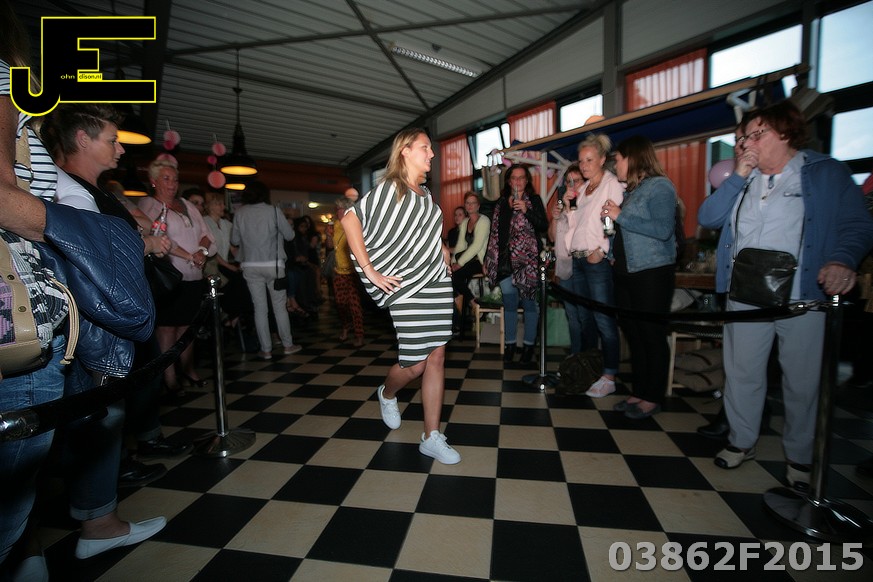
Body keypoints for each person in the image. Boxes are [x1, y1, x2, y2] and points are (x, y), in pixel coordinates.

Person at [698, 100, 873, 490]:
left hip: (802, 296)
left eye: (755, 135)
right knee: (742, 373)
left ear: (785, 132)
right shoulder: (742, 180)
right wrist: (738, 175)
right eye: (742, 138)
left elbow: (857, 224)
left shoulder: (824, 172)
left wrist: (842, 259)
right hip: (745, 294)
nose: (746, 144)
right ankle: (741, 441)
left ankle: (799, 456)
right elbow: (708, 217)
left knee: (802, 381)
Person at [40, 103, 189, 482]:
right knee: (106, 401)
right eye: (112, 140)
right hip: (99, 318)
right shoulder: (70, 192)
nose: (121, 149)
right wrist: (145, 244)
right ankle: (106, 483)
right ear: (83, 139)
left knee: (136, 384)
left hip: (118, 310)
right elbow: (96, 257)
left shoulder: (96, 191)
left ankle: (139, 446)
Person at [341, 127, 460, 465]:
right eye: (425, 147)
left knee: (437, 357)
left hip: (436, 282)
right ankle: (387, 391)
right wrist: (370, 270)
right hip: (405, 287)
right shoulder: (391, 188)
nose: (432, 154)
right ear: (405, 150)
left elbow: (421, 233)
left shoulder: (426, 195)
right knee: (415, 362)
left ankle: (431, 436)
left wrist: (442, 250)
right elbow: (350, 220)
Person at [606, 135, 677, 419]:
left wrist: (620, 215)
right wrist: (613, 252)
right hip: (627, 272)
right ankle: (639, 391)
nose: (616, 165)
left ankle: (652, 397)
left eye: (618, 159)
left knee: (651, 335)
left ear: (632, 158)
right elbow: (627, 232)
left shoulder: (660, 187)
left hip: (652, 273)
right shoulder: (634, 191)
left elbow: (662, 229)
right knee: (634, 335)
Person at [139, 157, 216, 395]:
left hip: (194, 276)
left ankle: (188, 370)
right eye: (166, 179)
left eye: (175, 179)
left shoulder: (186, 205)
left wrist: (201, 251)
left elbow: (206, 233)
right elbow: (157, 237)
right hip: (169, 277)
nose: (172, 184)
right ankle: (169, 378)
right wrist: (188, 255)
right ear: (153, 181)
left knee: (188, 327)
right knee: (167, 328)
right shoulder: (148, 205)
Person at [561, 135, 623, 396]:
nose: (584, 165)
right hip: (578, 257)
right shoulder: (584, 188)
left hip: (596, 261)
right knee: (585, 319)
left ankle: (609, 375)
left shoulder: (611, 184)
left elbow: (615, 222)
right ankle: (587, 368)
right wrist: (569, 207)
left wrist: (602, 250)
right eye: (581, 161)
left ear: (602, 160)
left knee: (604, 319)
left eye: (589, 160)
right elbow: (578, 226)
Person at [484, 164, 548, 364]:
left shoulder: (534, 200)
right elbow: (494, 233)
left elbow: (543, 225)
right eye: (514, 178)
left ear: (527, 181)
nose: (518, 181)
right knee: (510, 304)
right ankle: (510, 345)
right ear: (509, 181)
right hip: (505, 262)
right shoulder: (501, 203)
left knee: (529, 304)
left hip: (528, 261)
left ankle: (528, 347)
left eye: (521, 178)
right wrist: (488, 259)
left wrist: (527, 210)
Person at [230, 180, 300, 359]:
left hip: (250, 265)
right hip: (274, 266)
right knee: (279, 308)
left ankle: (266, 349)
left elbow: (235, 240)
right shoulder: (274, 211)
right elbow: (290, 236)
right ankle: (288, 345)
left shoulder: (240, 213)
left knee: (259, 308)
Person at [548, 166, 580, 350]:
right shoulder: (561, 205)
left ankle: (587, 354)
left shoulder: (587, 204)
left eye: (576, 181)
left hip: (583, 265)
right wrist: (554, 218)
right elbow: (552, 237)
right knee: (572, 313)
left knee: (585, 313)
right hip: (565, 265)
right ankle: (576, 354)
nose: (572, 185)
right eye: (569, 182)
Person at [450, 191, 490, 333]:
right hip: (468, 259)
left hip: (481, 260)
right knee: (452, 275)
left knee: (456, 276)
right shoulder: (465, 223)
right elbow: (461, 246)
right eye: (467, 203)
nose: (470, 205)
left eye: (473, 203)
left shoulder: (484, 221)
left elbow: (477, 246)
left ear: (478, 205)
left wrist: (459, 263)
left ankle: (472, 304)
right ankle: (472, 303)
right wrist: (453, 262)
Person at [332, 197, 365, 346]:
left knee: (354, 305)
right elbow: (330, 246)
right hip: (338, 271)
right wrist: (328, 235)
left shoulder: (355, 224)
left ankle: (359, 335)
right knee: (341, 304)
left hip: (353, 272)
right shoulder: (336, 225)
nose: (337, 212)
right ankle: (346, 326)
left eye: (340, 209)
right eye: (337, 209)